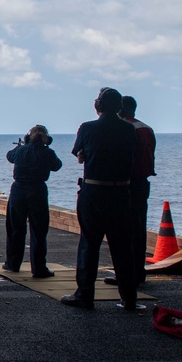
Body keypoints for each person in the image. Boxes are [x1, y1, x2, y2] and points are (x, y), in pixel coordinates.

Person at [63, 87, 138, 310]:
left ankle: (85, 295)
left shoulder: (87, 127)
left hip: (94, 191)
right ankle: (129, 296)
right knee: (122, 247)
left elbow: (78, 151)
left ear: (98, 106)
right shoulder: (128, 129)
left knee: (89, 244)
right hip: (121, 192)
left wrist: (85, 154)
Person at [3, 125, 62, 278]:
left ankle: (12, 264)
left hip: (19, 190)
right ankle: (39, 268)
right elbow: (57, 166)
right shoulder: (48, 152)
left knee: (15, 228)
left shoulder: (20, 150)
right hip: (38, 190)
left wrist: (21, 147)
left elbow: (9, 156)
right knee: (39, 231)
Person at [119, 96, 155, 284]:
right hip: (142, 182)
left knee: (124, 230)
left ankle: (127, 275)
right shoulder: (146, 128)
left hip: (126, 184)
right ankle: (137, 271)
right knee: (139, 228)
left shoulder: (125, 129)